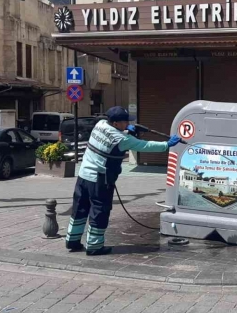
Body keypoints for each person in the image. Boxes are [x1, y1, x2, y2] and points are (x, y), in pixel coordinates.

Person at [64, 106, 181, 255]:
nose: (127, 124)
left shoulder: (99, 125)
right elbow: (144, 146)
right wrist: (167, 144)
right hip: (100, 180)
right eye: (125, 122)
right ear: (115, 123)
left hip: (83, 176)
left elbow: (111, 136)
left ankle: (72, 241)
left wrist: (128, 130)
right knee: (99, 211)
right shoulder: (122, 139)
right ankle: (94, 246)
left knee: (80, 208)